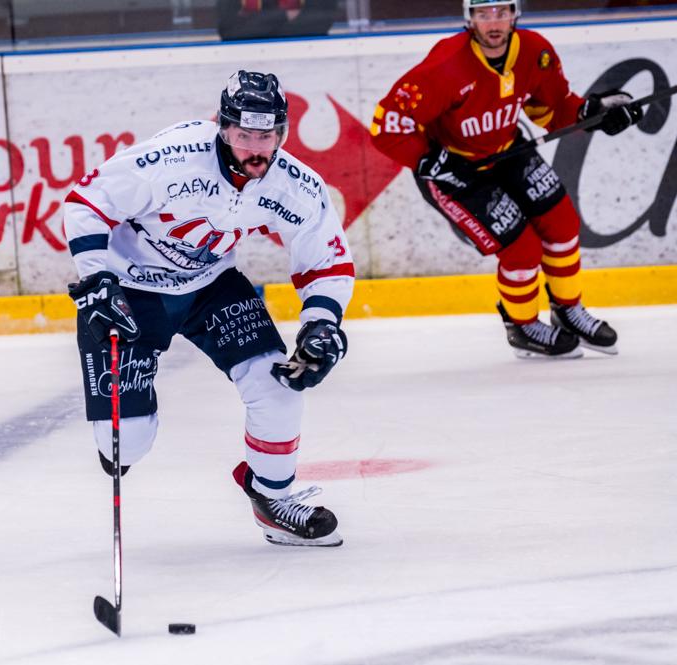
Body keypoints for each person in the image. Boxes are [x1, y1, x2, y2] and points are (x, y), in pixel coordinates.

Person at [64, 71, 355, 547]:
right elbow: (86, 202)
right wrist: (98, 280)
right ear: (223, 127)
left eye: (267, 135)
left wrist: (322, 323)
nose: (255, 148)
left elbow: (326, 257)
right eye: (244, 136)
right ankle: (124, 422)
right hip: (130, 294)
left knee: (279, 388)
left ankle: (273, 499)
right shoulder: (171, 159)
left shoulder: (292, 184)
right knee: (125, 443)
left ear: (281, 132)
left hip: (211, 287)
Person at [369, 0, 644, 358]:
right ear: (470, 18)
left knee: (562, 224)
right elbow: (386, 127)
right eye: (483, 14)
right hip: (456, 173)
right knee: (522, 250)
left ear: (515, 13)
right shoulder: (444, 65)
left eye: (501, 12)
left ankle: (567, 310)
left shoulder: (534, 51)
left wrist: (593, 113)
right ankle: (523, 326)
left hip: (507, 150)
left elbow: (552, 107)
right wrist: (432, 160)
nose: (493, 22)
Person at [217, 0, 337, 41]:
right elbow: (228, 30)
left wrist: (257, 22)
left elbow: (323, 21)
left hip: (306, 56)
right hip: (245, 60)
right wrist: (284, 16)